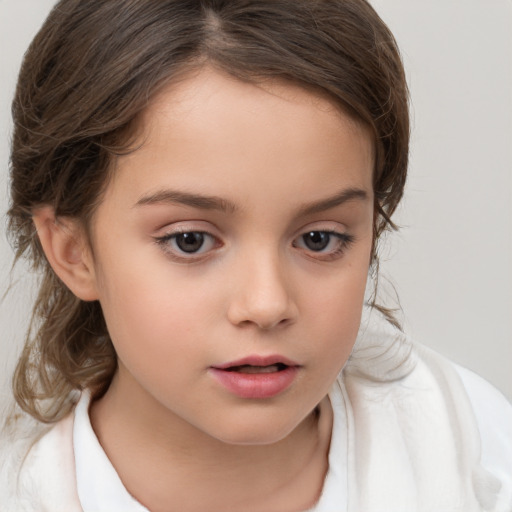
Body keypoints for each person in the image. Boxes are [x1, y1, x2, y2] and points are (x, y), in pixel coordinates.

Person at [1, 0, 511, 510]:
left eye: (319, 239)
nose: (267, 304)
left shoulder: (475, 451)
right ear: (74, 252)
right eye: (190, 241)